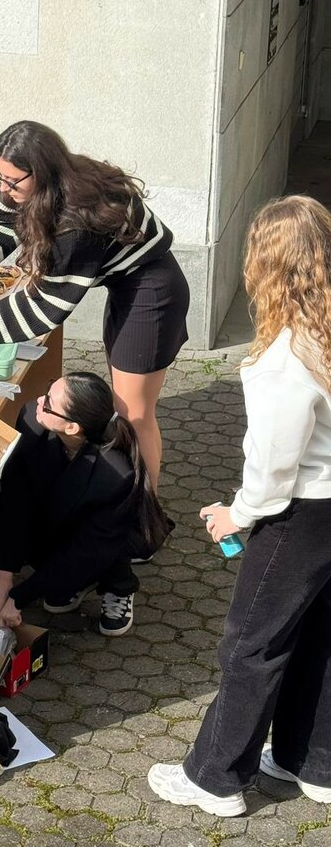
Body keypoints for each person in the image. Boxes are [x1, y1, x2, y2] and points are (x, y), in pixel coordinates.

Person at [148, 195, 331, 817]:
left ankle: (215, 778)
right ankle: (312, 762)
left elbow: (277, 465)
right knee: (318, 634)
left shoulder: (286, 356)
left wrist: (238, 514)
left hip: (298, 514)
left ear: (266, 266)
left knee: (249, 646)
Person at [0, 121, 189, 495]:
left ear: (41, 173)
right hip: (127, 287)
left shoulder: (76, 218)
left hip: (151, 292)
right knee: (128, 409)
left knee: (134, 414)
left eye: (13, 183)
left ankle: (142, 523)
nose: (5, 190)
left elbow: (44, 307)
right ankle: (122, 503)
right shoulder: (51, 179)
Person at [0, 371, 170, 635]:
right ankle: (69, 582)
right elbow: (15, 498)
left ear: (72, 427)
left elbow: (88, 549)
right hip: (65, 516)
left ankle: (118, 588)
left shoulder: (115, 474)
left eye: (49, 402)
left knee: (106, 550)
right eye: (49, 390)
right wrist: (4, 575)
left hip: (109, 537)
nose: (39, 400)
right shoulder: (31, 418)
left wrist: (19, 596)